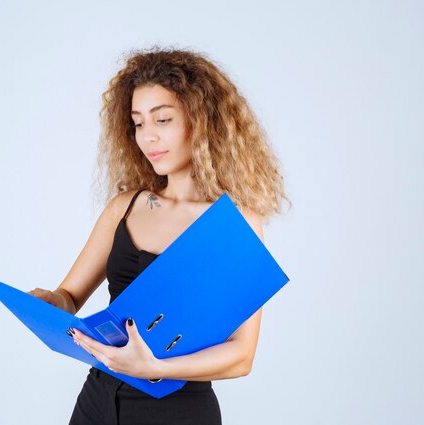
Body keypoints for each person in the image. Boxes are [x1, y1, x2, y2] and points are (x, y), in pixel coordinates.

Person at [27, 46, 290, 425]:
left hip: (176, 410)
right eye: (138, 123)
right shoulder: (125, 207)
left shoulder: (235, 225)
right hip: (97, 399)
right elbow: (68, 296)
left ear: (202, 122)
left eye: (162, 119)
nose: (148, 137)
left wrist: (154, 366)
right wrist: (48, 302)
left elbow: (242, 355)